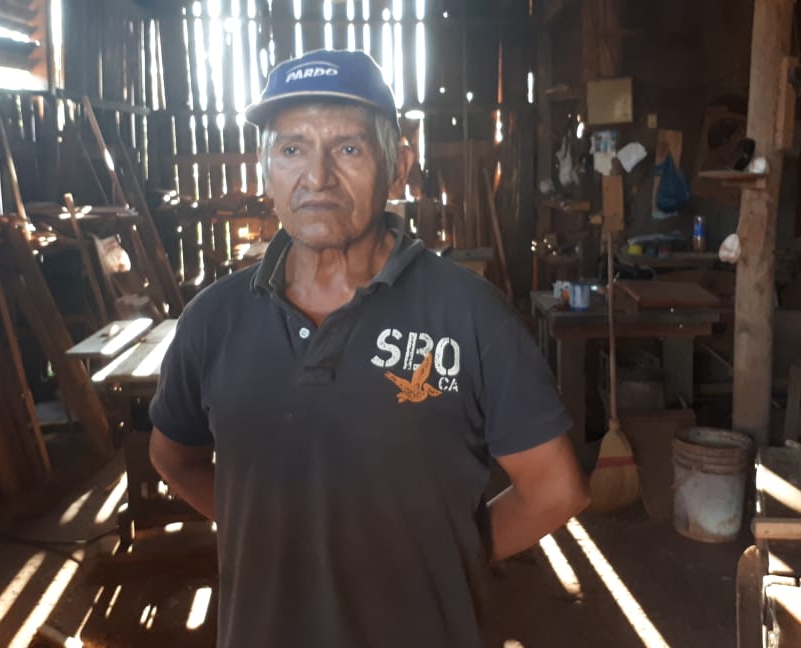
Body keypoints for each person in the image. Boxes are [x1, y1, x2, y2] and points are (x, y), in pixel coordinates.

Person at [149, 49, 589, 648]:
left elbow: (555, 489)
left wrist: (446, 555)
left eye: (349, 149)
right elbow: (173, 458)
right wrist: (279, 536)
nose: (317, 177)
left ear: (398, 166)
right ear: (266, 169)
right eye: (292, 149)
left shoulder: (468, 314)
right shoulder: (213, 319)